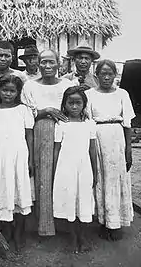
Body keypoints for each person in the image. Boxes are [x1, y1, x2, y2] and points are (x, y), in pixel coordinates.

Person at [21, 49, 74, 236]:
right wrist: (47, 110)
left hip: (65, 133)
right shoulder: (29, 86)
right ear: (38, 64)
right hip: (41, 134)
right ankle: (44, 225)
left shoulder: (67, 84)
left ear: (58, 64)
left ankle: (66, 222)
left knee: (63, 175)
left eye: (51, 62)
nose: (47, 66)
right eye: (43, 62)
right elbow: (25, 114)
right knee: (43, 176)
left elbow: (74, 108)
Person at [85, 59, 135, 241]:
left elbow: (128, 123)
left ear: (115, 75)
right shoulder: (89, 94)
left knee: (116, 179)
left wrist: (128, 149)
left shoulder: (122, 94)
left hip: (117, 139)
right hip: (97, 138)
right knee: (100, 177)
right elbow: (88, 120)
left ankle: (116, 222)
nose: (106, 77)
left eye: (110, 74)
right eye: (102, 74)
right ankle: (103, 221)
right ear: (96, 75)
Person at [0, 75, 34, 252]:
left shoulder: (23, 110)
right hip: (0, 156)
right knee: (4, 190)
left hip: (20, 155)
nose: (8, 94)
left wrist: (30, 160)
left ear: (18, 92)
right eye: (5, 90)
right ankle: (6, 230)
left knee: (20, 190)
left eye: (12, 90)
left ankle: (19, 232)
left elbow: (29, 136)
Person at [53, 86, 97, 253]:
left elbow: (92, 150)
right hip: (66, 168)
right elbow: (56, 149)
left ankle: (83, 237)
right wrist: (55, 170)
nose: (74, 106)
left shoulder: (89, 124)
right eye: (70, 103)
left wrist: (95, 171)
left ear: (84, 104)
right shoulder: (61, 124)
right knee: (69, 201)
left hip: (84, 168)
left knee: (84, 201)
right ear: (64, 104)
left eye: (78, 103)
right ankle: (72, 237)